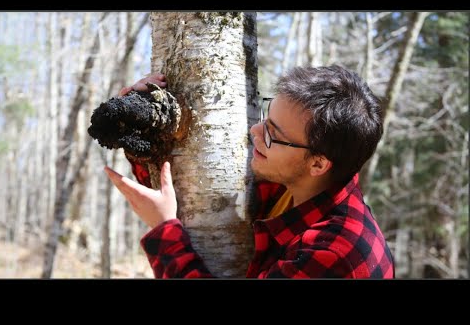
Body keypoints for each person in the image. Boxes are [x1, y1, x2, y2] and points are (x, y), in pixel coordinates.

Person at [104, 65, 395, 278]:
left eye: (273, 134)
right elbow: (195, 192)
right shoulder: (294, 188)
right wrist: (144, 126)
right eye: (266, 118)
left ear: (318, 163)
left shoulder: (335, 252)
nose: (255, 131)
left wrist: (164, 230)